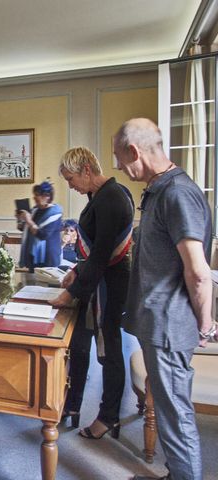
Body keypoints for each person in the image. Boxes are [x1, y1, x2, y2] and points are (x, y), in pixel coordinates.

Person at [114, 118, 214, 480]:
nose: (120, 168)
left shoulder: (177, 194)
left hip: (169, 324)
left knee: (175, 415)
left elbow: (198, 271)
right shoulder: (160, 189)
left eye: (119, 158)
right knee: (173, 412)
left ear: (134, 151)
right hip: (159, 322)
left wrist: (204, 322)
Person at [49, 147, 134, 440]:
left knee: (109, 350)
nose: (70, 185)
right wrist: (75, 268)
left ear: (86, 169)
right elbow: (93, 250)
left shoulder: (111, 198)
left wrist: (71, 293)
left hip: (109, 284)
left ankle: (108, 417)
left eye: (71, 178)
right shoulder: (100, 195)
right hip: (98, 278)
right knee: (88, 345)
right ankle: (73, 405)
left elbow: (100, 256)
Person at [16, 181, 63, 270]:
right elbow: (23, 228)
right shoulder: (35, 210)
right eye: (35, 195)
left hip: (47, 259)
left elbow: (43, 235)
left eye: (38, 195)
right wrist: (20, 219)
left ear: (47, 196)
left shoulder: (55, 213)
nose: (35, 198)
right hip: (32, 258)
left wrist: (29, 221)